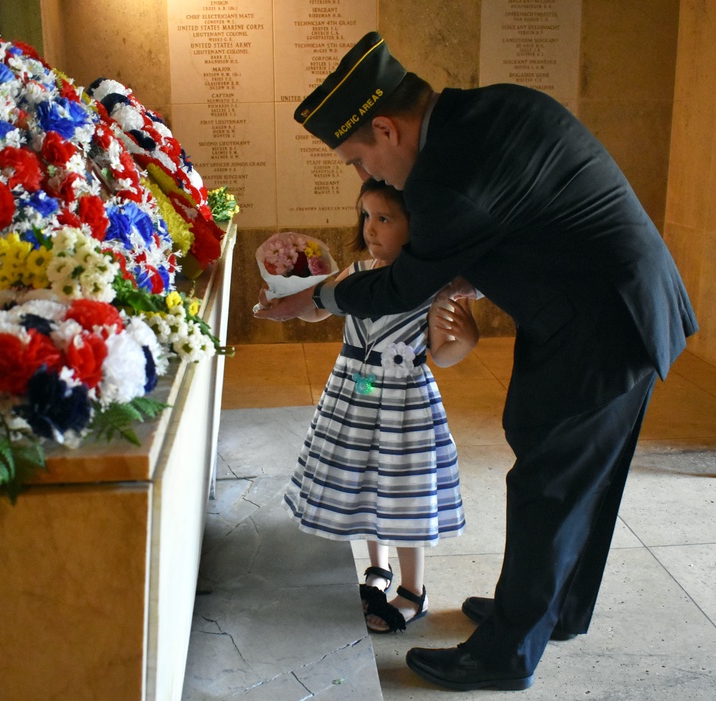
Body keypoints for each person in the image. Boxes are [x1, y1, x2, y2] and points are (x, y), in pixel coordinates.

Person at [256, 32, 698, 691]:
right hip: (616, 306)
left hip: (605, 325)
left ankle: (504, 652)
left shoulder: (443, 177)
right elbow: (531, 215)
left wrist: (317, 297)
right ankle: (557, 606)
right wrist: (474, 272)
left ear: (386, 127)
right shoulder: (481, 113)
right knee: (582, 477)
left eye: (357, 158)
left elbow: (405, 283)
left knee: (551, 480)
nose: (365, 177)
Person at [282, 179, 479, 635]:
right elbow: (321, 308)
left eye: (385, 218)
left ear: (417, 226)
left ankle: (414, 590)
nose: (371, 229)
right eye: (366, 216)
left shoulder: (434, 289)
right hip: (354, 395)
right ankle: (377, 567)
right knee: (365, 482)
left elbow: (442, 352)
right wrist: (291, 302)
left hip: (403, 407)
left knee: (402, 490)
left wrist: (467, 339)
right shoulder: (356, 272)